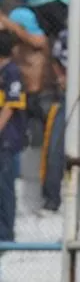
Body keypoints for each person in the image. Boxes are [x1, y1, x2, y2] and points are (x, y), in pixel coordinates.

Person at [0, 30, 27, 243]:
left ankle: (6, 235)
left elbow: (11, 105)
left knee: (4, 186)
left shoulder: (11, 72)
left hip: (5, 139)